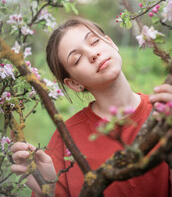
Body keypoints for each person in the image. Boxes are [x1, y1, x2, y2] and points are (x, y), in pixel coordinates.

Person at [11, 17, 172, 197]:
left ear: (111, 43)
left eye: (94, 41)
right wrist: (47, 190)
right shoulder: (65, 141)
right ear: (74, 83)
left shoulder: (164, 113)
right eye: (77, 59)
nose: (92, 54)